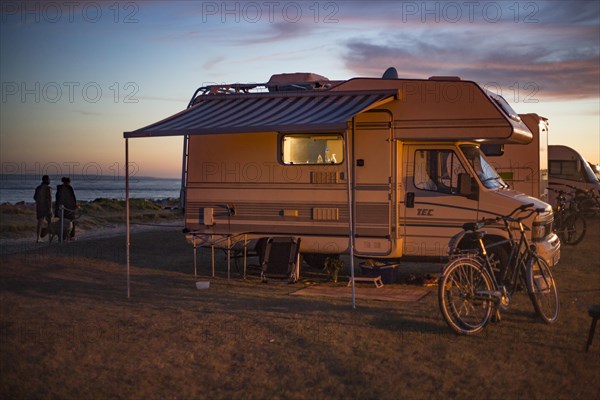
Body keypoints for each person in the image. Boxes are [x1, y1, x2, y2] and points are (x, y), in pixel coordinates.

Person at [55, 177, 77, 241]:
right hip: (68, 208)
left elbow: (57, 198)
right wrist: (74, 206)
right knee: (71, 222)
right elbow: (72, 198)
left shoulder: (59, 188)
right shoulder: (69, 188)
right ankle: (71, 236)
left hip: (61, 207)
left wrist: (57, 208)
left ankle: (62, 237)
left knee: (62, 222)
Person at [33, 175, 52, 242]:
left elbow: (35, 197)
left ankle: (38, 238)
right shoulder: (48, 188)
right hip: (46, 207)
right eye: (49, 179)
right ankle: (50, 237)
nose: (49, 181)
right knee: (49, 222)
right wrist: (50, 208)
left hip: (39, 206)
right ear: (45, 180)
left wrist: (39, 201)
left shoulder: (38, 188)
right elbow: (49, 199)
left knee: (40, 222)